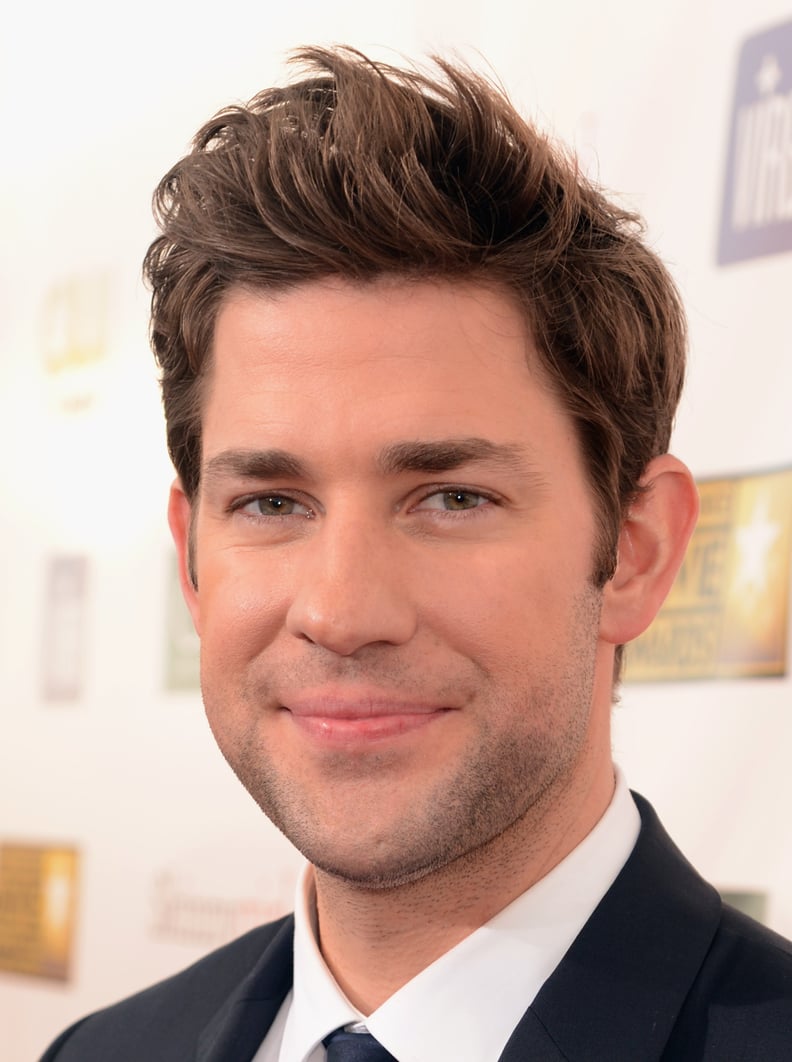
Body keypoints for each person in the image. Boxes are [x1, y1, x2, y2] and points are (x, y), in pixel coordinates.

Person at [41, 46, 792, 1062]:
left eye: (450, 497)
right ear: (192, 563)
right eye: (271, 501)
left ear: (636, 551)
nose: (342, 611)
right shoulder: (106, 1051)